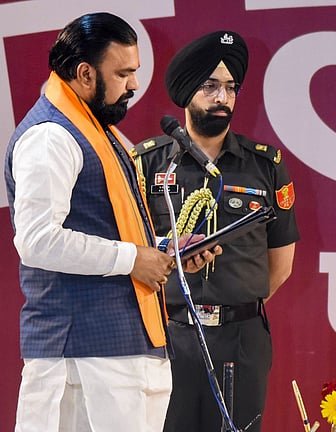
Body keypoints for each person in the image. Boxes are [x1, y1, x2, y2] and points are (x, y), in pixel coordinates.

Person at [4, 12, 216, 432]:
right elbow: (37, 240)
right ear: (85, 74)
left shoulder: (100, 132)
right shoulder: (51, 136)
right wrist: (133, 259)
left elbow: (105, 228)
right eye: (123, 73)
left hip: (122, 351)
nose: (134, 85)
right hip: (81, 355)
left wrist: (164, 252)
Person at [132, 30, 299, 432]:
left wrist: (229, 305)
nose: (222, 97)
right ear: (187, 92)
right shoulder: (148, 163)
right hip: (166, 334)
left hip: (240, 340)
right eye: (209, 86)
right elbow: (130, 251)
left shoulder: (265, 166)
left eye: (230, 87)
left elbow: (280, 265)